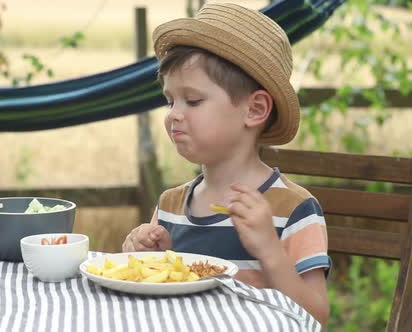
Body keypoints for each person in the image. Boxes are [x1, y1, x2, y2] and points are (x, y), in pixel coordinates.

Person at [121, 2, 330, 325]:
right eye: (169, 100)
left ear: (254, 110)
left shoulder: (293, 209)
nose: (174, 114)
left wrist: (270, 251)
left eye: (193, 100)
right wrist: (143, 258)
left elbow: (316, 318)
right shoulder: (170, 205)